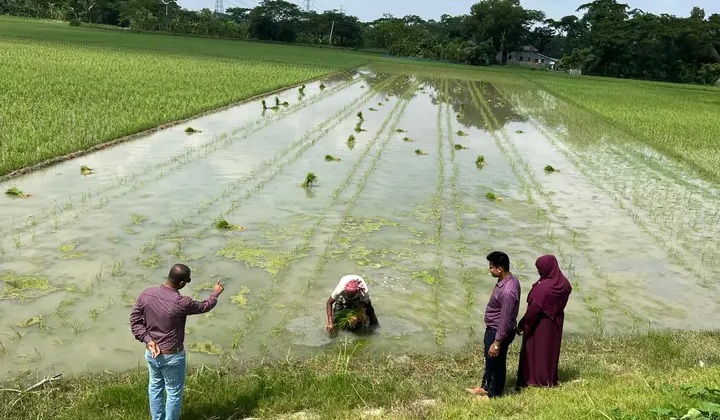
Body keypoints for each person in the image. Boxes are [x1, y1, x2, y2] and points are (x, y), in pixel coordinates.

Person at [129, 264, 224, 420]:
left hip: (152, 353)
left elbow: (135, 321)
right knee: (173, 392)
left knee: (155, 388)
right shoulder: (181, 302)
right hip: (172, 356)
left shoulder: (146, 294)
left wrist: (148, 340)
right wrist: (215, 293)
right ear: (181, 283)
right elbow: (204, 306)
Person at [466, 251, 521, 399]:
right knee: (490, 360)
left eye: (491, 267)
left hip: (498, 331)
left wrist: (497, 342)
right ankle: (485, 387)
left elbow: (504, 318)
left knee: (496, 362)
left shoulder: (508, 291)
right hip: (494, 328)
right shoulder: (509, 280)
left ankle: (494, 394)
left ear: (500, 269)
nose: (489, 270)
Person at [515, 254, 572, 390]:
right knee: (550, 351)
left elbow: (533, 311)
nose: (538, 271)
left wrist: (523, 324)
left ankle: (534, 379)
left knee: (536, 351)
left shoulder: (543, 288)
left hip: (540, 324)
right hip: (555, 321)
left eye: (539, 268)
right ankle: (549, 378)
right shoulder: (564, 284)